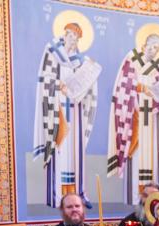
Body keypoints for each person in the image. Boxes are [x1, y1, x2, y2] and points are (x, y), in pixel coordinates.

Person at [108, 30, 159, 204]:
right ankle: (135, 197)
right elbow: (123, 85)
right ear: (144, 45)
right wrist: (140, 88)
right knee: (136, 153)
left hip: (151, 117)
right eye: (152, 46)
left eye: (157, 48)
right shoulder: (132, 59)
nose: (154, 51)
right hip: (134, 115)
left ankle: (152, 199)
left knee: (150, 156)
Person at [33, 22, 98, 208]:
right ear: (64, 35)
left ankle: (77, 194)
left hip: (75, 111)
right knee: (59, 149)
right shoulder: (53, 53)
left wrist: (89, 79)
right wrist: (58, 85)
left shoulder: (80, 61)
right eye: (71, 36)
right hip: (57, 109)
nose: (73, 40)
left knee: (74, 152)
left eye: (76, 38)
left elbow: (86, 88)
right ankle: (58, 196)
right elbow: (44, 79)